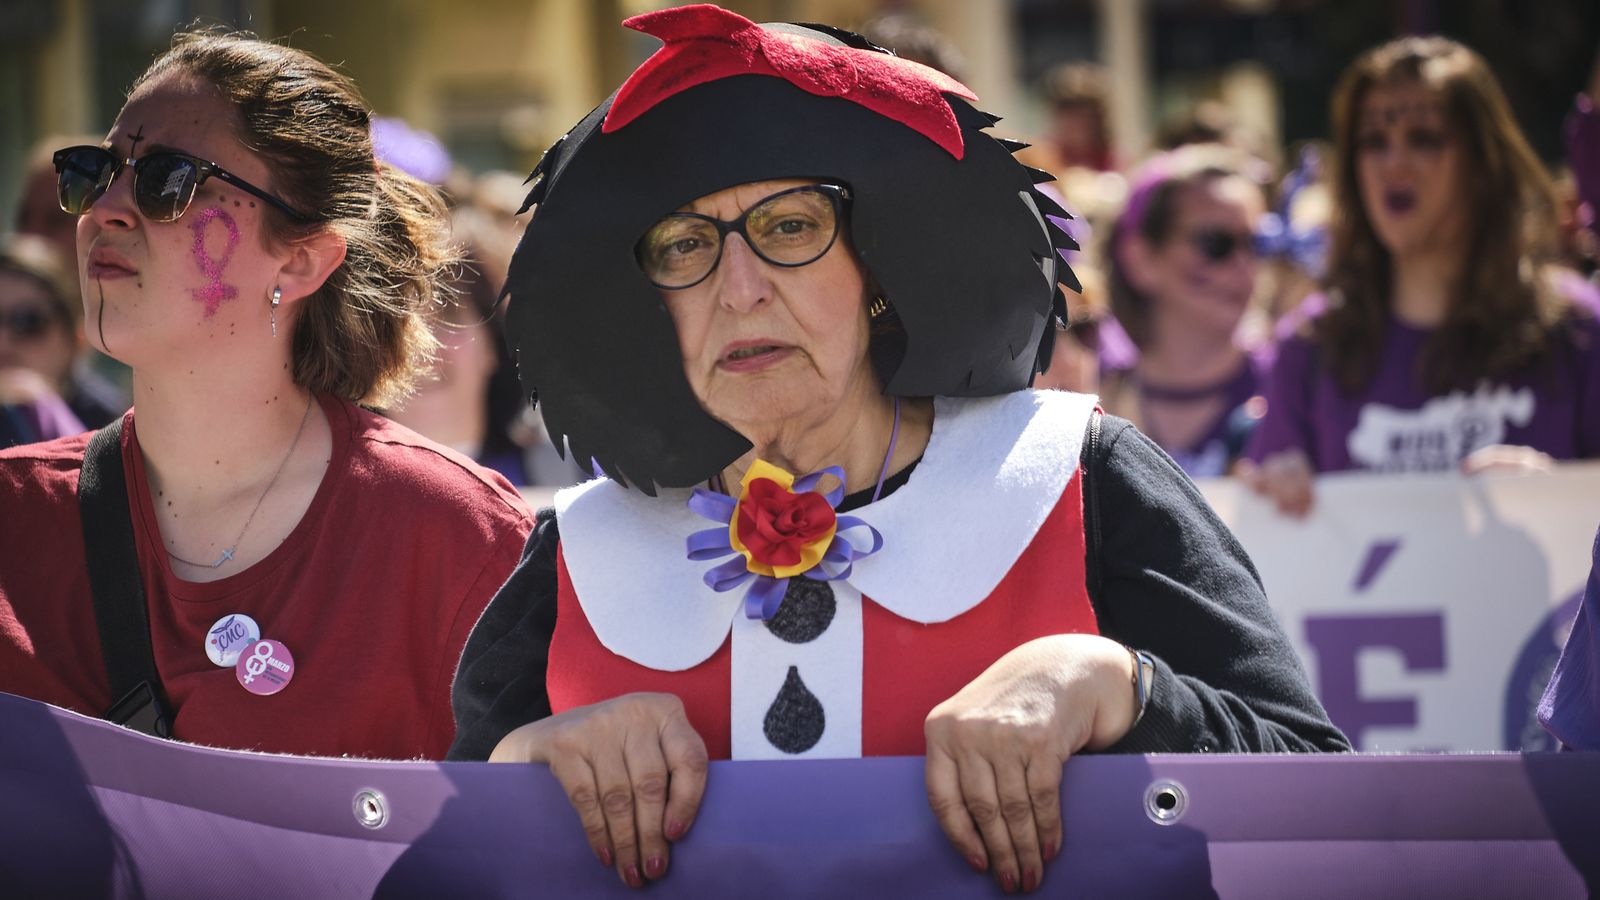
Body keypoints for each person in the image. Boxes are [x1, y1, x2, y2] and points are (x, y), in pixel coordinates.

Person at [449, 6, 1346, 893]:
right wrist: (526, 763)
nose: (740, 290)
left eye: (790, 227)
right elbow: (442, 858)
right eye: (685, 246)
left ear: (878, 269)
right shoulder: (578, 553)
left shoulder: (1081, 478)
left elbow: (1318, 801)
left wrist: (1118, 685)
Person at [0, 30, 533, 759]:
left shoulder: (458, 539)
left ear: (305, 258)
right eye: (94, 173)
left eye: (167, 180)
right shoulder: (13, 518)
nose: (107, 209)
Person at [1243, 36, 1600, 516]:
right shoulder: (1308, 349)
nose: (1394, 163)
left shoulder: (1577, 332)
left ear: (1483, 164)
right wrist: (1269, 499)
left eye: (1424, 138)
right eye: (1373, 142)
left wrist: (1564, 500)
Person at [1099, 144, 1271, 477]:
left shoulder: (1291, 387)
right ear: (1141, 260)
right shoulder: (1093, 403)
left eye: (1256, 243)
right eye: (1216, 243)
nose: (1243, 265)